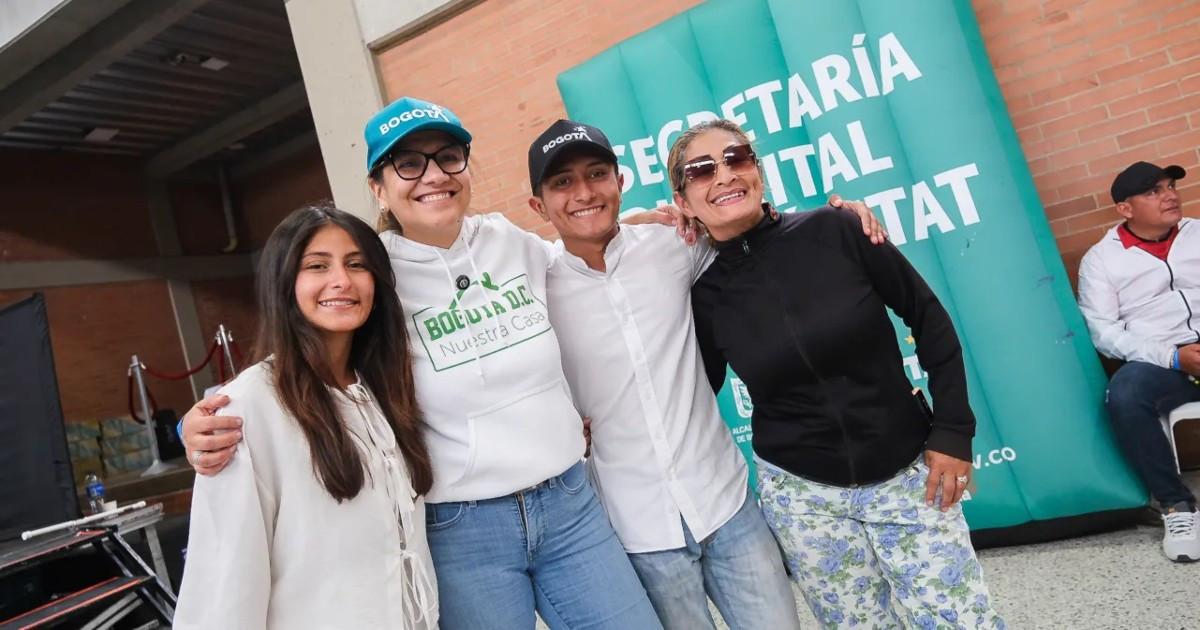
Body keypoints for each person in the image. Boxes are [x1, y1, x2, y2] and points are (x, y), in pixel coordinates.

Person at [180, 97, 663, 630]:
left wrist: (638, 224)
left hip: (571, 503)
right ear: (378, 186)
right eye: (408, 163)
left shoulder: (507, 240)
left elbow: (574, 260)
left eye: (448, 156)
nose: (433, 175)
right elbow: (310, 351)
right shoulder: (370, 273)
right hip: (462, 527)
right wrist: (203, 420)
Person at [525, 118, 876, 629]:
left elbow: (756, 228)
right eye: (562, 182)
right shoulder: (535, 285)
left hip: (728, 506)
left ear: (619, 181)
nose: (584, 192)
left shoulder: (677, 245)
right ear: (539, 205)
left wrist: (842, 217)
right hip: (636, 531)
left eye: (596, 174)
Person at [670, 119, 1006, 628]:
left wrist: (954, 431)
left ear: (758, 171)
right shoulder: (704, 293)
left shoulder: (840, 228)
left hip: (907, 474)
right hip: (803, 498)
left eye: (736, 158)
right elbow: (693, 390)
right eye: (701, 170)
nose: (724, 176)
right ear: (684, 198)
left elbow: (928, 319)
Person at [173, 205, 437, 629]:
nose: (341, 281)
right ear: (284, 282)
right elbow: (224, 580)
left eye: (357, 264)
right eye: (317, 265)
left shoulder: (384, 389)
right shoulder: (249, 407)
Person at [1077, 160, 1199, 562]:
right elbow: (1103, 332)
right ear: (1124, 209)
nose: (1169, 195)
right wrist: (1172, 357)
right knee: (1126, 393)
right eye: (1153, 192)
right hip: (1164, 361)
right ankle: (1176, 507)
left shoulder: (1197, 233)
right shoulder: (1102, 260)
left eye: (1169, 187)